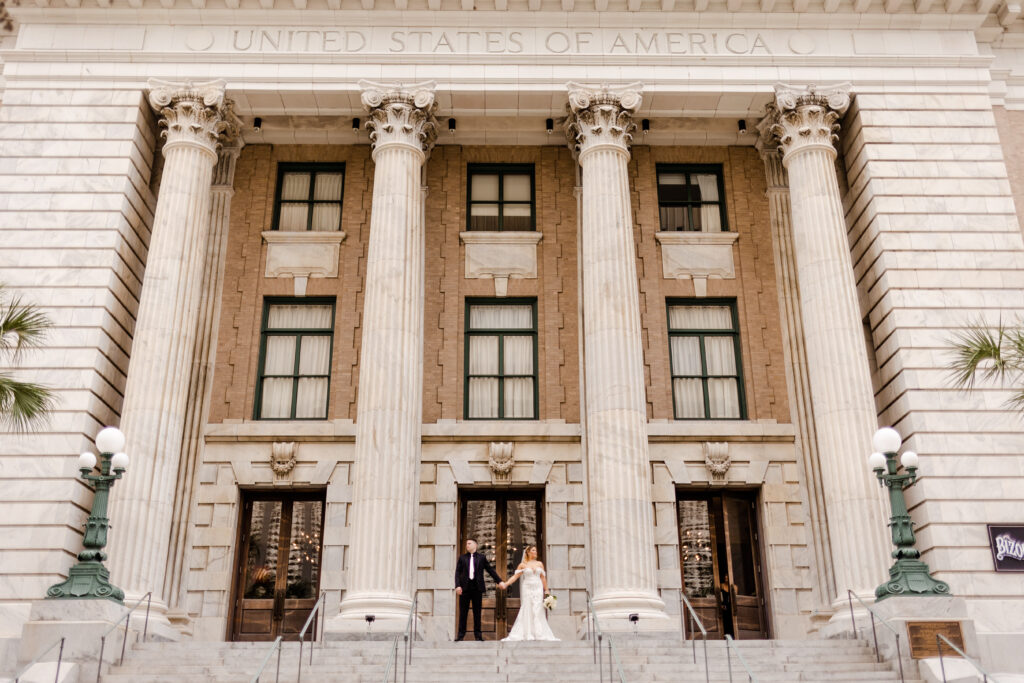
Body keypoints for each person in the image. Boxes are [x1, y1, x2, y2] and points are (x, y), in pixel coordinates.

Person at [501, 545, 559, 641]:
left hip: (538, 587)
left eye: (536, 550)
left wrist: (547, 590)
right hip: (527, 587)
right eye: (533, 550)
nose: (535, 552)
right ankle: (528, 633)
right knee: (527, 607)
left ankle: (539, 633)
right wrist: (506, 584)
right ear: (528, 552)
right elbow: (515, 577)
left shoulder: (540, 564)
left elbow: (543, 578)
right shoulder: (523, 565)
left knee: (537, 608)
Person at [454, 538, 506, 641]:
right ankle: (460, 635)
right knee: (463, 612)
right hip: (464, 589)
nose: (467, 545)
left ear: (475, 545)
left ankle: (478, 636)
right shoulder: (462, 558)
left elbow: (490, 570)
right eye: (466, 543)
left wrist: (499, 581)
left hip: (477, 588)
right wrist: (457, 586)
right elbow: (457, 573)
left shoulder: (481, 558)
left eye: (469, 543)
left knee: (477, 613)